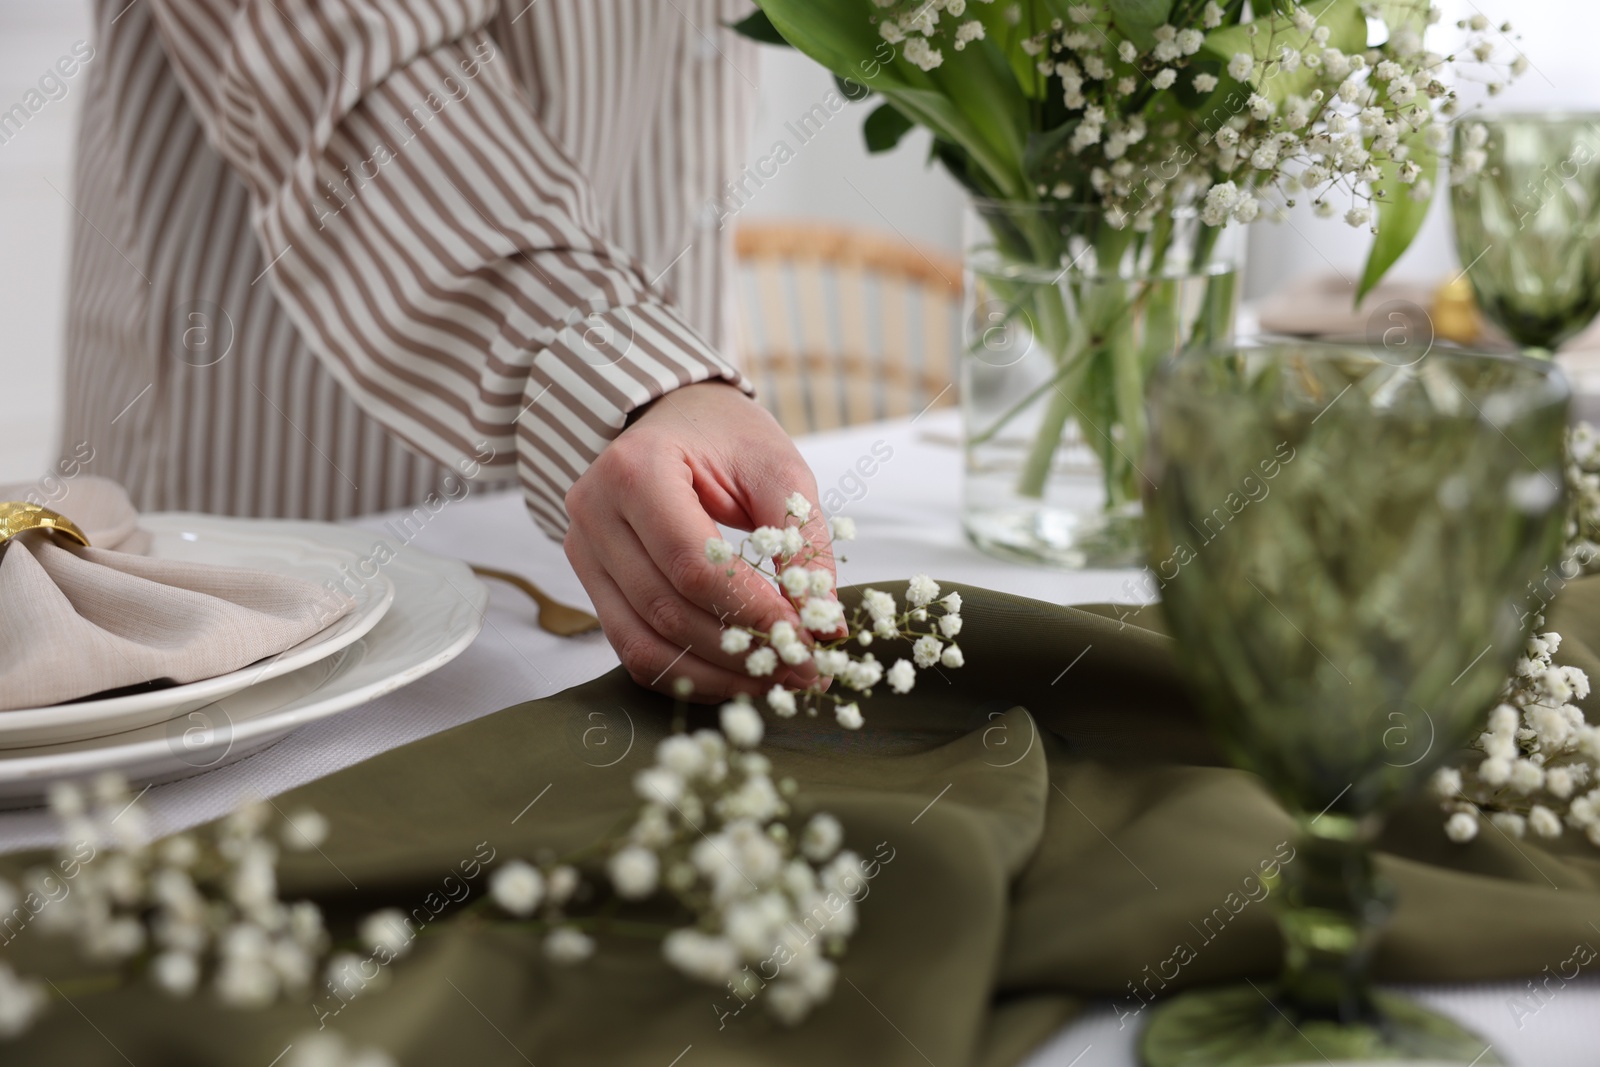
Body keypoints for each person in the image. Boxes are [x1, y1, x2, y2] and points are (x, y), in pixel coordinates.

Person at [59, 0, 830, 699]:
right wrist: (629, 374)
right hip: (287, 473)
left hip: (649, 464)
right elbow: (350, 50)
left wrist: (671, 383)